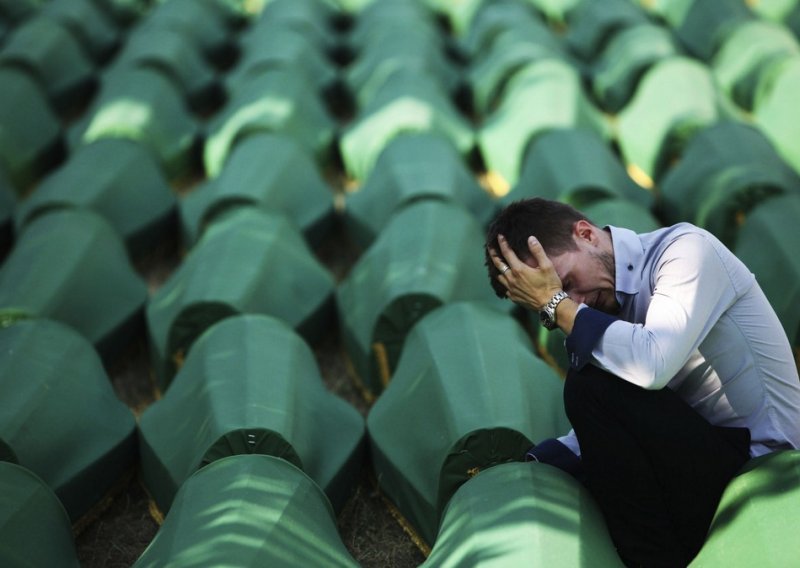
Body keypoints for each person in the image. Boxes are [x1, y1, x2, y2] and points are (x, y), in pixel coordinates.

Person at [484, 198, 800, 567]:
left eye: (566, 283)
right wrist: (532, 466)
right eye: (546, 304)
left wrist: (556, 305)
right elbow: (613, 425)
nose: (573, 301)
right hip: (704, 461)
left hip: (765, 464)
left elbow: (653, 363)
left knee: (587, 387)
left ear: (586, 234)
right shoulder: (598, 306)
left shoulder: (686, 252)